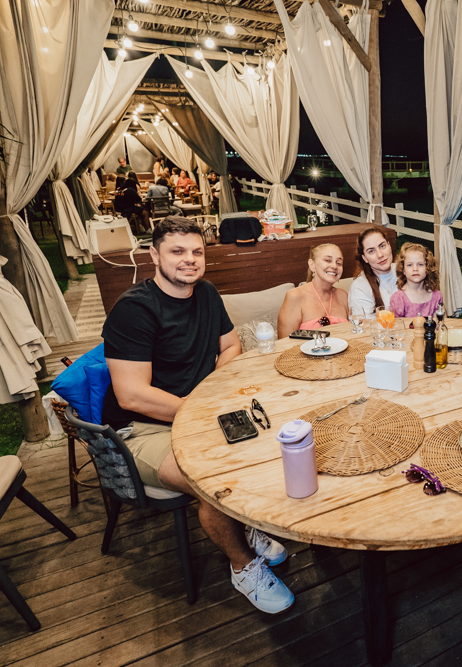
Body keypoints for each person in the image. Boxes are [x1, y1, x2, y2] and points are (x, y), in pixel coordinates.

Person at [101, 216, 295, 614]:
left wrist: (207, 394)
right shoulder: (134, 309)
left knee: (268, 445)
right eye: (177, 251)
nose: (189, 259)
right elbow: (131, 395)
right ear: (154, 255)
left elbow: (231, 347)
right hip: (142, 429)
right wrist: (200, 408)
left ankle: (247, 525)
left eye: (196, 251)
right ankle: (243, 566)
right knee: (211, 480)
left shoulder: (206, 294)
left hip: (198, 411)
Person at [277, 243, 350, 337]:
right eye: (327, 260)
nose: (334, 266)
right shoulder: (295, 296)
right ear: (312, 265)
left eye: (339, 263)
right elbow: (284, 342)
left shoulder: (343, 296)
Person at [348, 228, 397, 315]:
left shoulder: (406, 271)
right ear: (365, 258)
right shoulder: (360, 287)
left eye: (382, 246)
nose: (380, 255)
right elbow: (363, 321)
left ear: (389, 245)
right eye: (371, 251)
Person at [388, 242, 443, 318]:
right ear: (403, 270)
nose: (415, 269)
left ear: (427, 268)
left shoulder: (437, 296)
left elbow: (442, 322)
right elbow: (396, 324)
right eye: (409, 265)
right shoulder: (398, 299)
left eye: (420, 264)